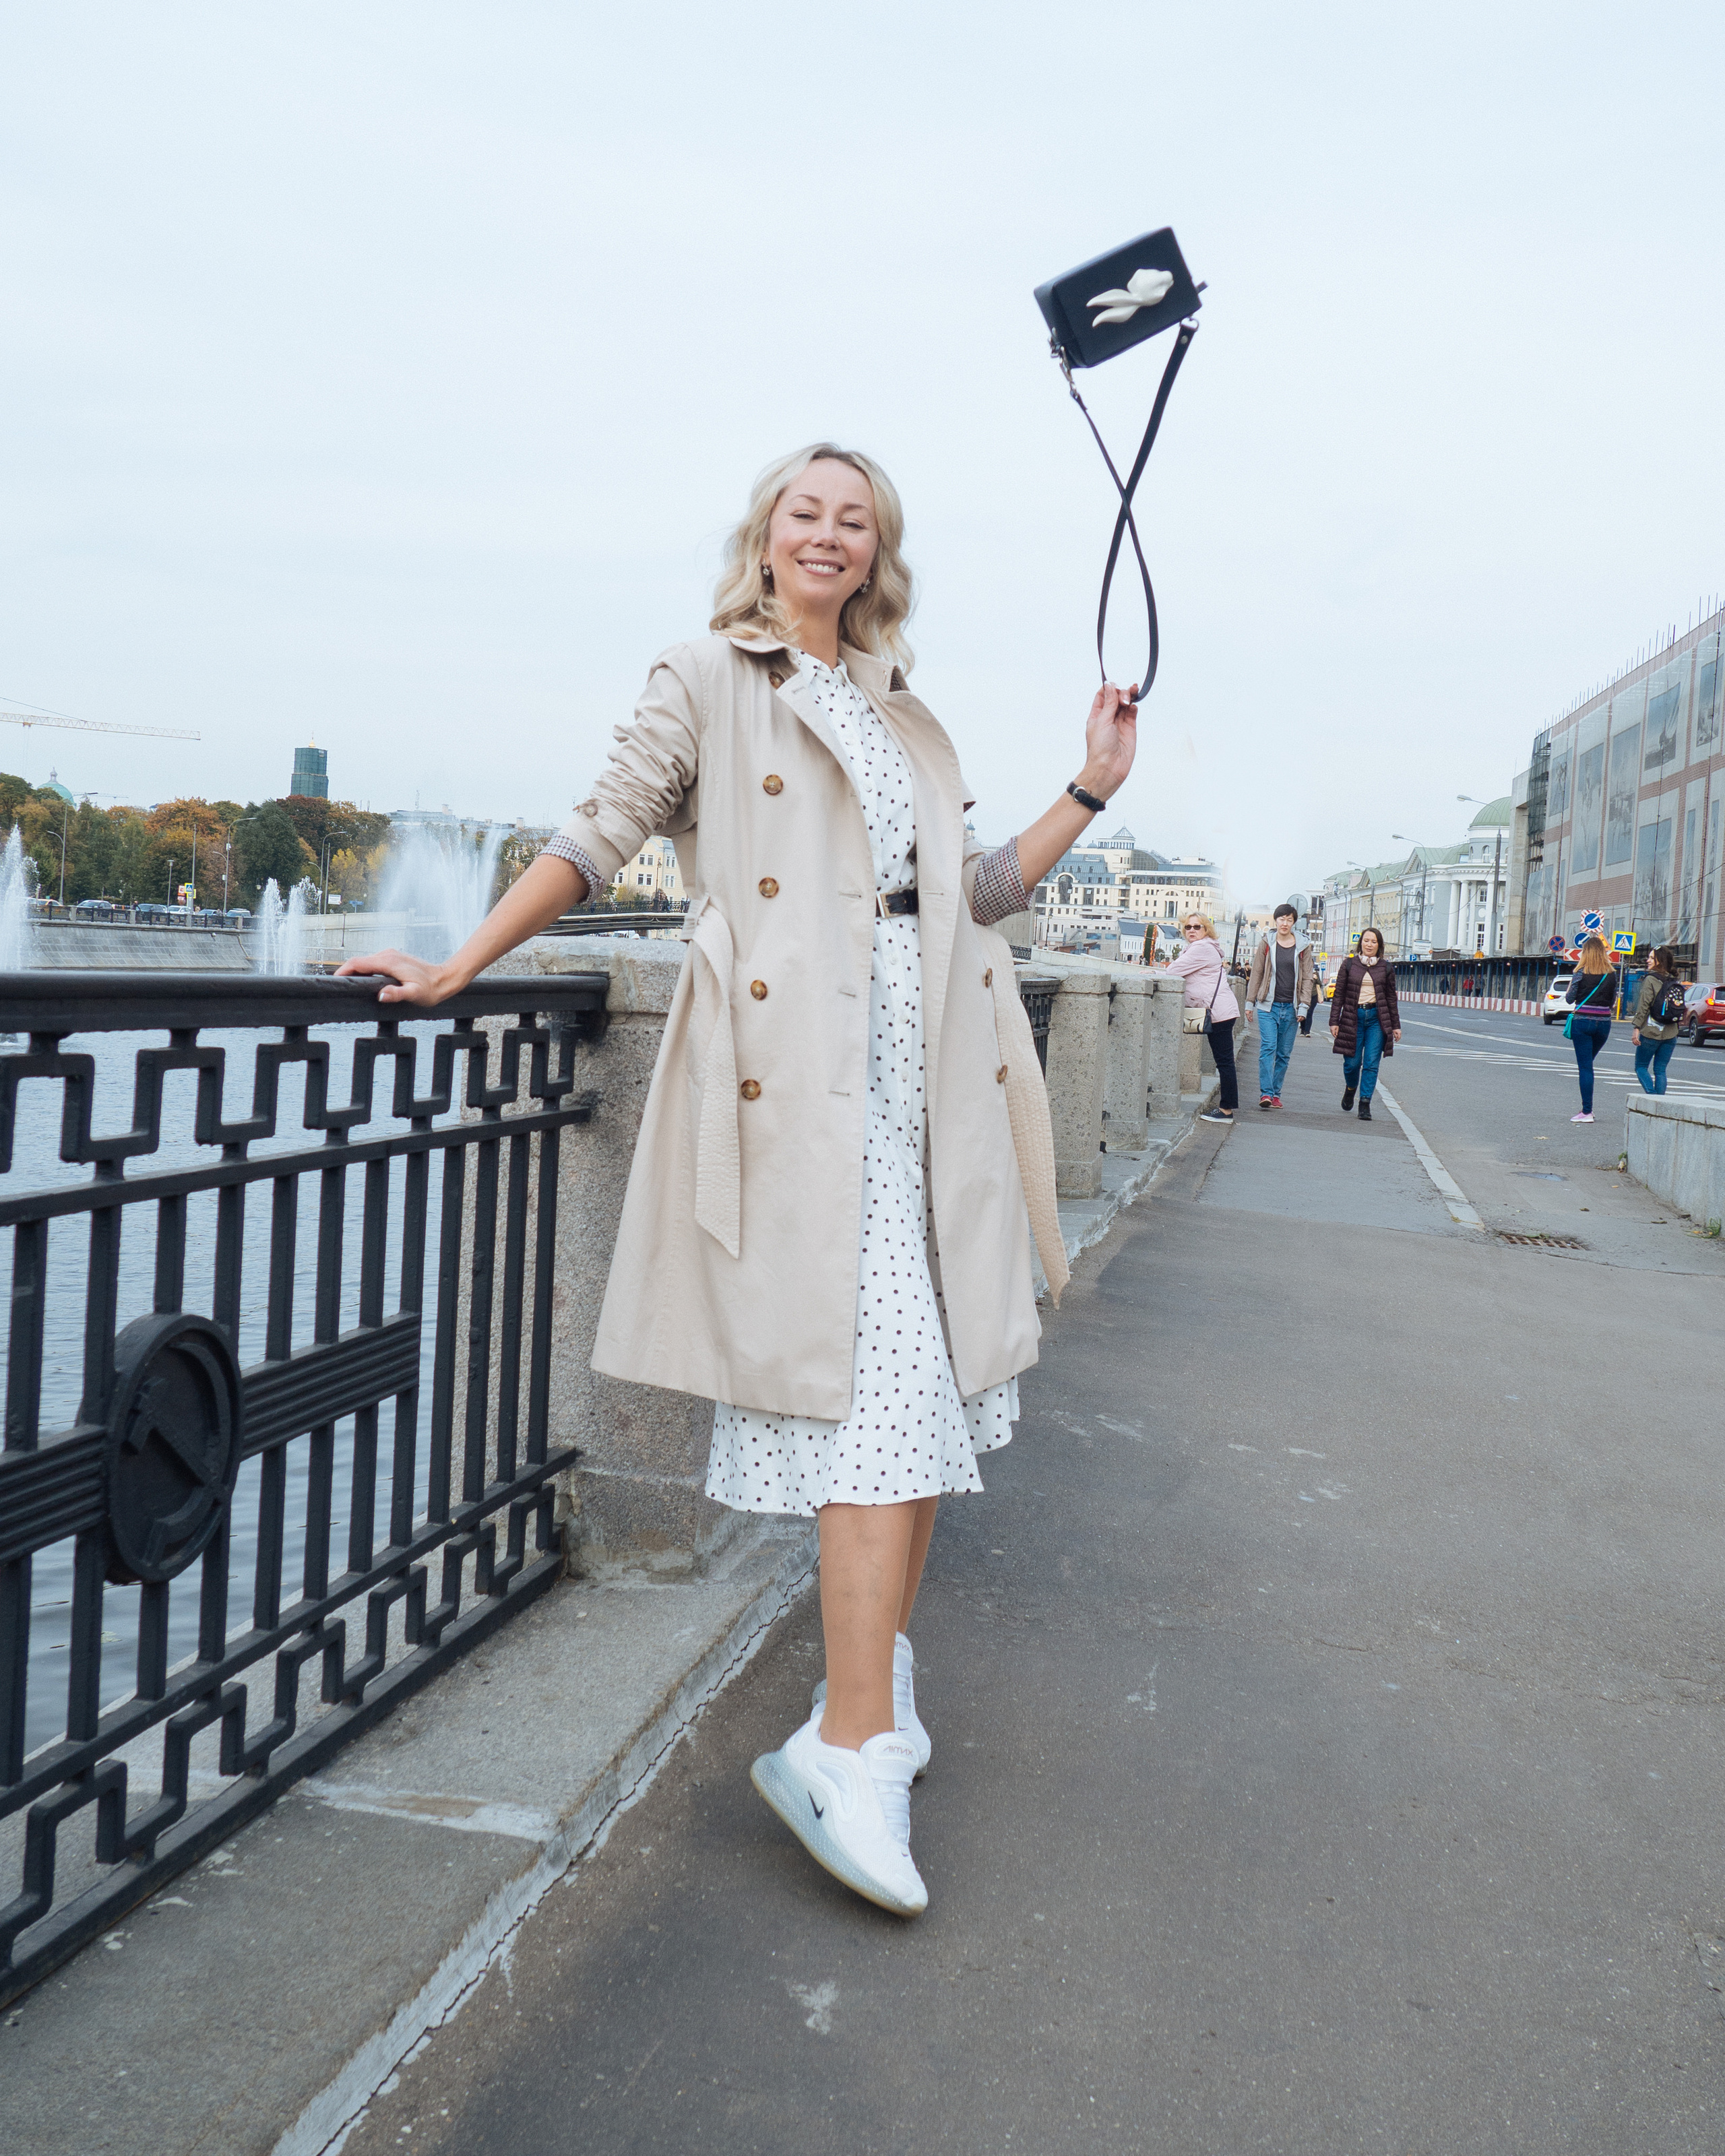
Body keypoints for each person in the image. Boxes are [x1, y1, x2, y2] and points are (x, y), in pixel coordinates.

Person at [338, 443, 1136, 1920]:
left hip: (920, 1069)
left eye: (854, 519)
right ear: (765, 536)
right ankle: (847, 1745)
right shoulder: (707, 673)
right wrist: (462, 961)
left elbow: (969, 893)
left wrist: (1089, 784)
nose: (827, 534)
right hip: (798, 1076)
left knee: (934, 1387)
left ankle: (870, 1686)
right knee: (874, 1398)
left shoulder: (896, 706)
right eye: (804, 512)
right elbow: (599, 833)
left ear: (877, 550)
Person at [1156, 910, 1239, 1122]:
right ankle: (1226, 1108)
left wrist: (1155, 973)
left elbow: (1174, 970)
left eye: (1197, 927)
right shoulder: (1204, 947)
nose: (1191, 930)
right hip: (1221, 1010)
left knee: (1224, 1062)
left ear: (1206, 930)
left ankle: (1226, 1110)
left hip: (1219, 1012)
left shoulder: (1202, 948)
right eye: (1188, 927)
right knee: (1224, 1062)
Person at [1246, 903, 1316, 1108]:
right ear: (1276, 921)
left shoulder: (1303, 946)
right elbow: (1257, 973)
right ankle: (1266, 1094)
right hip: (1268, 1006)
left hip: (1292, 1008)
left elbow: (1307, 978)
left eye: (1289, 920)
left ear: (1294, 922)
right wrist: (1250, 1003)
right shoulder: (1267, 943)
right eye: (1281, 919)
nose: (1285, 923)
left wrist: (1304, 1006)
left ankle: (1276, 1093)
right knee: (1268, 1048)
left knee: (1284, 1054)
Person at [1327, 926, 1401, 1120]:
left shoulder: (1386, 968)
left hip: (1377, 1019)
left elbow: (1391, 998)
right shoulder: (1349, 965)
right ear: (1361, 943)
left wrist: (1396, 1025)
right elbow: (1339, 995)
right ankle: (1351, 1087)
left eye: (1374, 942)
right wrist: (1334, 1021)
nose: (1369, 945)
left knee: (1371, 1063)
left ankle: (1365, 1103)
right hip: (1352, 1017)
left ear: (1379, 945)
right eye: (1366, 941)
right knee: (1352, 1064)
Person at [1564, 934, 1617, 1122]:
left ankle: (1587, 1112)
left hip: (1582, 1022)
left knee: (1585, 1067)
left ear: (1585, 953)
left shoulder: (1580, 972)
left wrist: (1571, 985)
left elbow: (1569, 999)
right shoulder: (1611, 974)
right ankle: (1587, 1110)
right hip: (1604, 1024)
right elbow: (1612, 1002)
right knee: (1588, 1064)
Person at [1629, 945, 1682, 1094]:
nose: (1648, 960)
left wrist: (1637, 1027)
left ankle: (1652, 1096)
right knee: (1660, 1070)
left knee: (1641, 1067)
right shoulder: (1674, 980)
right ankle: (1660, 1101)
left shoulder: (1651, 979)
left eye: (1652, 958)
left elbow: (1644, 1006)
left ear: (1660, 961)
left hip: (1651, 1032)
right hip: (1671, 1032)